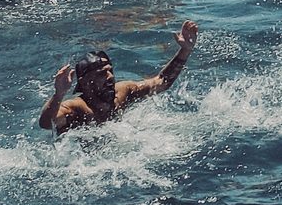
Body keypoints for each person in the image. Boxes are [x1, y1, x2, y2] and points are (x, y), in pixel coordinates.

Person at [39, 24, 200, 139]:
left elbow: (161, 82)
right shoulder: (77, 109)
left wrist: (185, 50)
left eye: (110, 70)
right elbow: (47, 123)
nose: (110, 77)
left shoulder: (123, 92)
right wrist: (59, 94)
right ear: (86, 82)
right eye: (102, 73)